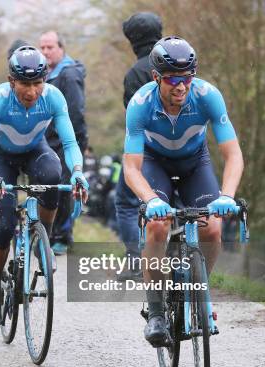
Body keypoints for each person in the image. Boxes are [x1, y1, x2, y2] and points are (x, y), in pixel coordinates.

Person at [123, 36, 244, 347]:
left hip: (195, 165)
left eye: (187, 78)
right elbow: (132, 167)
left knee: (212, 227)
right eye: (174, 79)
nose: (181, 86)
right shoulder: (140, 104)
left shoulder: (208, 96)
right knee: (157, 226)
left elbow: (233, 154)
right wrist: (149, 200)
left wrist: (227, 195)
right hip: (154, 164)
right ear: (156, 78)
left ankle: (198, 287)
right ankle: (156, 311)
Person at [0, 45, 88, 326]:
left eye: (38, 83)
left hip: (35, 150)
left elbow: (70, 143)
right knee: (3, 223)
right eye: (25, 84)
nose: (31, 91)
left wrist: (77, 172)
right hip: (1, 157)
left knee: (53, 173)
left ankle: (43, 239)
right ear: (12, 80)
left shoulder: (53, 98)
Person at [115, 12, 163, 281]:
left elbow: (133, 117)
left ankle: (134, 259)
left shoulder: (136, 73)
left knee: (125, 201)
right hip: (180, 148)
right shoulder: (176, 62)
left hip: (145, 150)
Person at [40, 31, 87, 255]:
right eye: (43, 48)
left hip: (67, 141)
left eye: (50, 47)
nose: (46, 52)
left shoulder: (68, 74)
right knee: (49, 185)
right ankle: (48, 233)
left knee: (65, 189)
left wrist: (74, 143)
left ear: (61, 48)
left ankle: (63, 237)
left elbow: (76, 112)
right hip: (49, 141)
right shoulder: (47, 73)